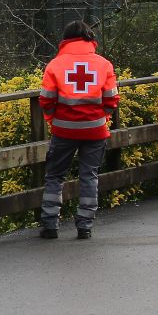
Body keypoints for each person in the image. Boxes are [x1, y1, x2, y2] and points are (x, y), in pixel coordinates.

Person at [38, 20, 119, 239]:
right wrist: (102, 117)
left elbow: (46, 100)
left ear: (65, 40)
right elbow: (111, 99)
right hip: (95, 130)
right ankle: (85, 226)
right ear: (90, 39)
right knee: (89, 175)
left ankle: (50, 225)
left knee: (55, 175)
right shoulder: (104, 64)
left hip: (64, 130)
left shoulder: (55, 65)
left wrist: (54, 120)